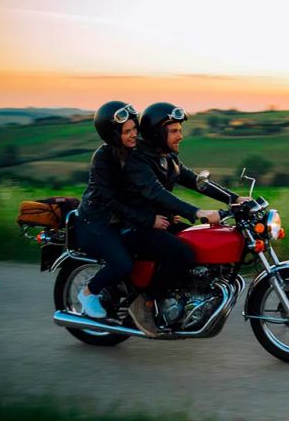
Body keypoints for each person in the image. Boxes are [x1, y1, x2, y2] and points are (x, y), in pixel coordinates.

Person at [123, 102, 249, 336]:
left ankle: (182, 295)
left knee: (198, 241)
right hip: (136, 225)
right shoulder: (138, 160)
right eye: (173, 131)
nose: (180, 136)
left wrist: (235, 199)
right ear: (156, 133)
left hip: (160, 221)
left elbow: (195, 181)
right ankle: (146, 302)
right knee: (183, 253)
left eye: (180, 130)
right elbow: (155, 192)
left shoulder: (167, 157)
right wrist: (197, 212)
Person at [76, 101, 170, 319]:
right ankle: (88, 293)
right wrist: (148, 219)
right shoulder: (103, 159)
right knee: (123, 263)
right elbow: (112, 202)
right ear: (111, 134)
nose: (133, 135)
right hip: (97, 223)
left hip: (121, 220)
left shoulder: (133, 153)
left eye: (134, 129)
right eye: (126, 131)